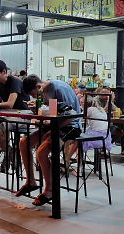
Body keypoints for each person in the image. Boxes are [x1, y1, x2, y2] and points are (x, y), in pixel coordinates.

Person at [16, 75, 82, 206]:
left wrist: (53, 129)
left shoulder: (59, 89)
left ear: (38, 87)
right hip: (55, 124)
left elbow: (71, 115)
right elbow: (52, 112)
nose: (35, 97)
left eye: (34, 94)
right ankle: (31, 181)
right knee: (24, 143)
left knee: (42, 151)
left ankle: (50, 190)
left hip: (71, 126)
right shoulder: (45, 91)